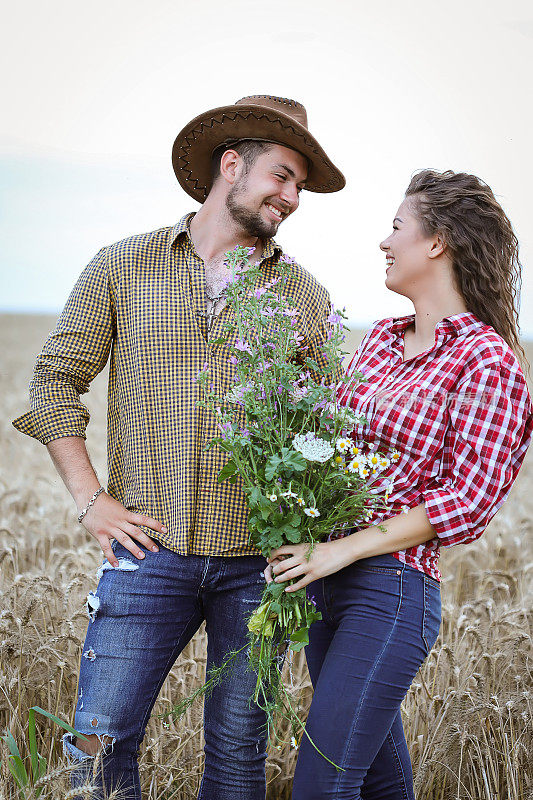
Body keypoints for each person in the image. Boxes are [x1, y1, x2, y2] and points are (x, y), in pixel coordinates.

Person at [12, 94, 345, 800]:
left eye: (299, 186)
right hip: (144, 555)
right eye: (281, 176)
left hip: (258, 563)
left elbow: (331, 425)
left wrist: (314, 530)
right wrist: (91, 501)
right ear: (233, 165)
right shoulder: (122, 266)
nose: (290, 197)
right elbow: (53, 383)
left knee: (236, 755)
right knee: (97, 746)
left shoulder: (303, 296)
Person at [265, 169, 533, 800]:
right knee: (382, 786)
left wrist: (344, 548)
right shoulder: (381, 342)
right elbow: (329, 447)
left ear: (436, 241)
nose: (384, 243)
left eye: (396, 228)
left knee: (319, 788)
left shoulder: (488, 361)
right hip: (325, 584)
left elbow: (466, 503)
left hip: (390, 592)